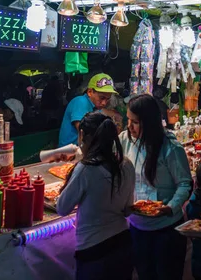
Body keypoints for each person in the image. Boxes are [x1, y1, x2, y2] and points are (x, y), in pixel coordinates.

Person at [120, 94, 193, 280]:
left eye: (135, 122)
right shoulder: (125, 140)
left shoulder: (170, 147)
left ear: (149, 122)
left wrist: (170, 208)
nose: (130, 126)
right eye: (128, 120)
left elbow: (185, 184)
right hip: (137, 226)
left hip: (166, 230)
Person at [56, 112, 135, 280]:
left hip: (93, 251)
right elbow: (128, 210)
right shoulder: (127, 164)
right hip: (123, 244)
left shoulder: (86, 169)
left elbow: (62, 208)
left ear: (82, 135)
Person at [58, 73, 117, 147]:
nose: (104, 103)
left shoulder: (95, 107)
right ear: (90, 92)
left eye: (107, 99)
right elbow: (85, 134)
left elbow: (110, 114)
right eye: (102, 98)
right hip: (69, 154)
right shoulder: (80, 102)